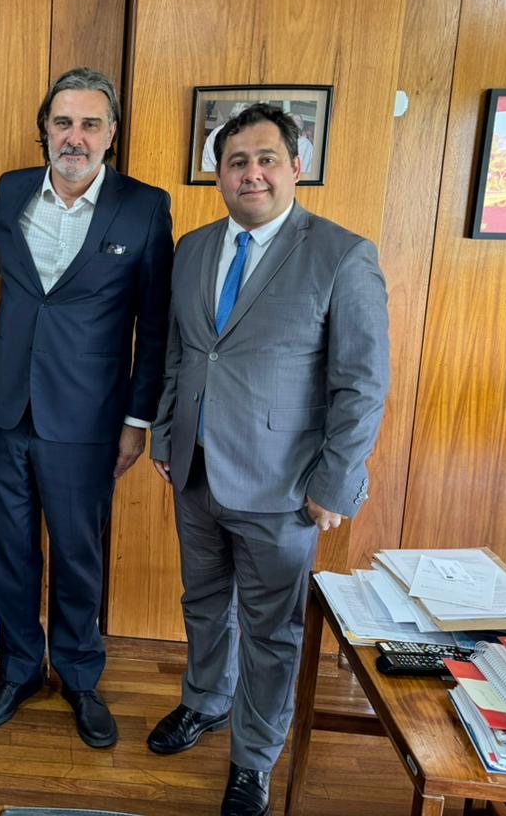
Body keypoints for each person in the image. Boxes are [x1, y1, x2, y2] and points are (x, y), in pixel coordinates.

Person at [149, 104, 390, 816]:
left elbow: (361, 382)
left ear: (295, 167)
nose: (251, 174)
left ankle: (254, 758)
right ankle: (206, 701)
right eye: (236, 162)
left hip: (283, 487)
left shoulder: (341, 254)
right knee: (202, 604)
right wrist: (165, 435)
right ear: (218, 175)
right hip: (194, 471)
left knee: (271, 630)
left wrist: (335, 483)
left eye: (265, 159)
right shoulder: (193, 248)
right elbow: (180, 352)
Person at [0, 67, 173, 748]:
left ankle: (81, 677)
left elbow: (156, 324)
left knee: (79, 556)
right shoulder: (11, 190)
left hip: (89, 421)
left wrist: (137, 422)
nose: (75, 137)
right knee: (8, 550)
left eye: (90, 124)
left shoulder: (144, 207)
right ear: (45, 130)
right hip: (5, 411)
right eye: (63, 122)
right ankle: (19, 669)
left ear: (111, 133)